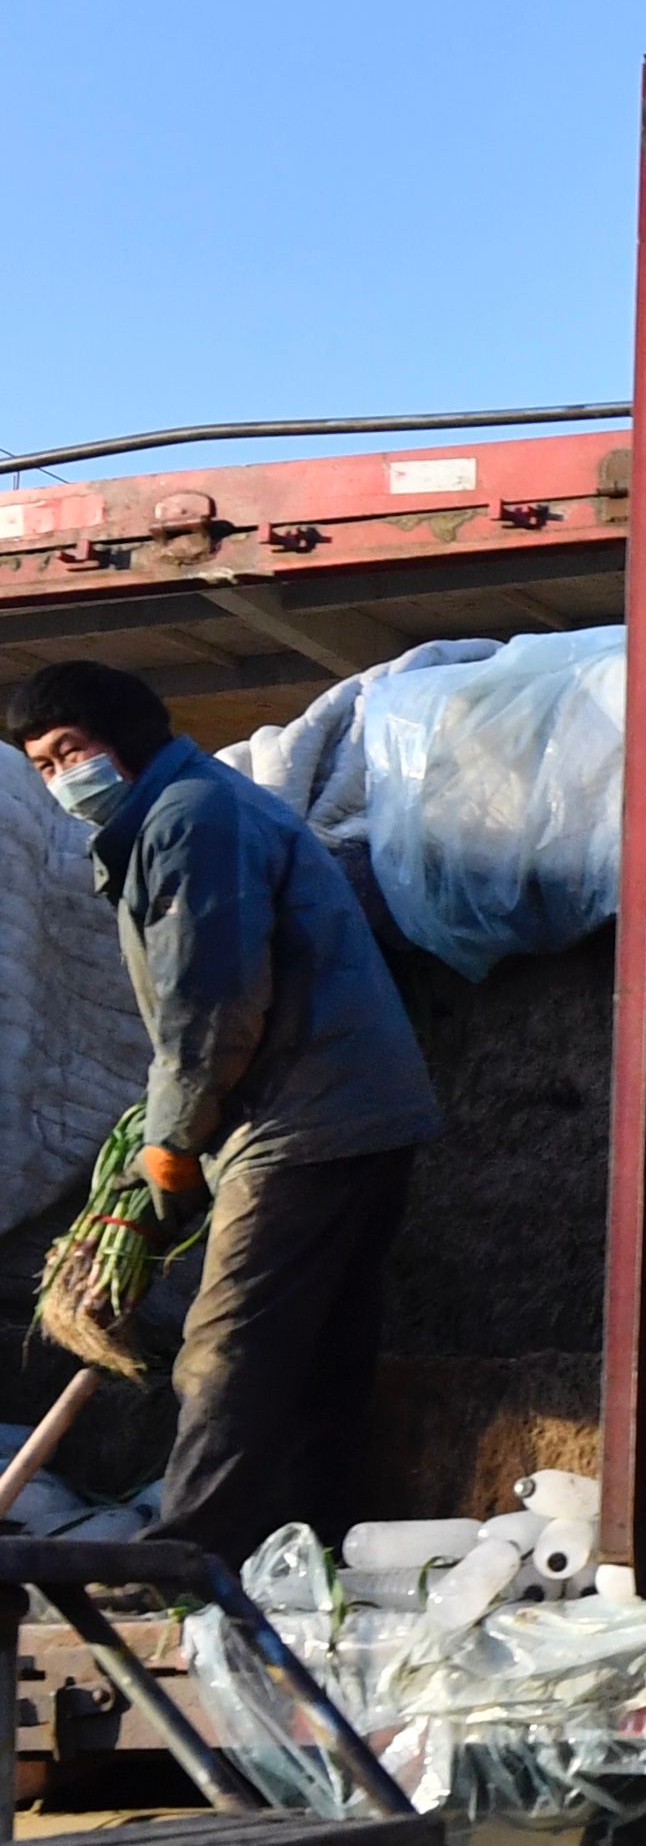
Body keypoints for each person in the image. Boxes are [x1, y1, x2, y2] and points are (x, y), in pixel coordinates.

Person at [7, 659, 441, 1558]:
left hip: (304, 1120)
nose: (60, 778)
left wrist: (169, 1148)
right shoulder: (194, 807)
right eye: (41, 765)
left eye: (71, 751)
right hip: (348, 1112)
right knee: (322, 1347)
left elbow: (211, 1009)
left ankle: (186, 1558)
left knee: (225, 1344)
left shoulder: (190, 819)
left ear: (125, 739)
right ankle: (306, 1543)